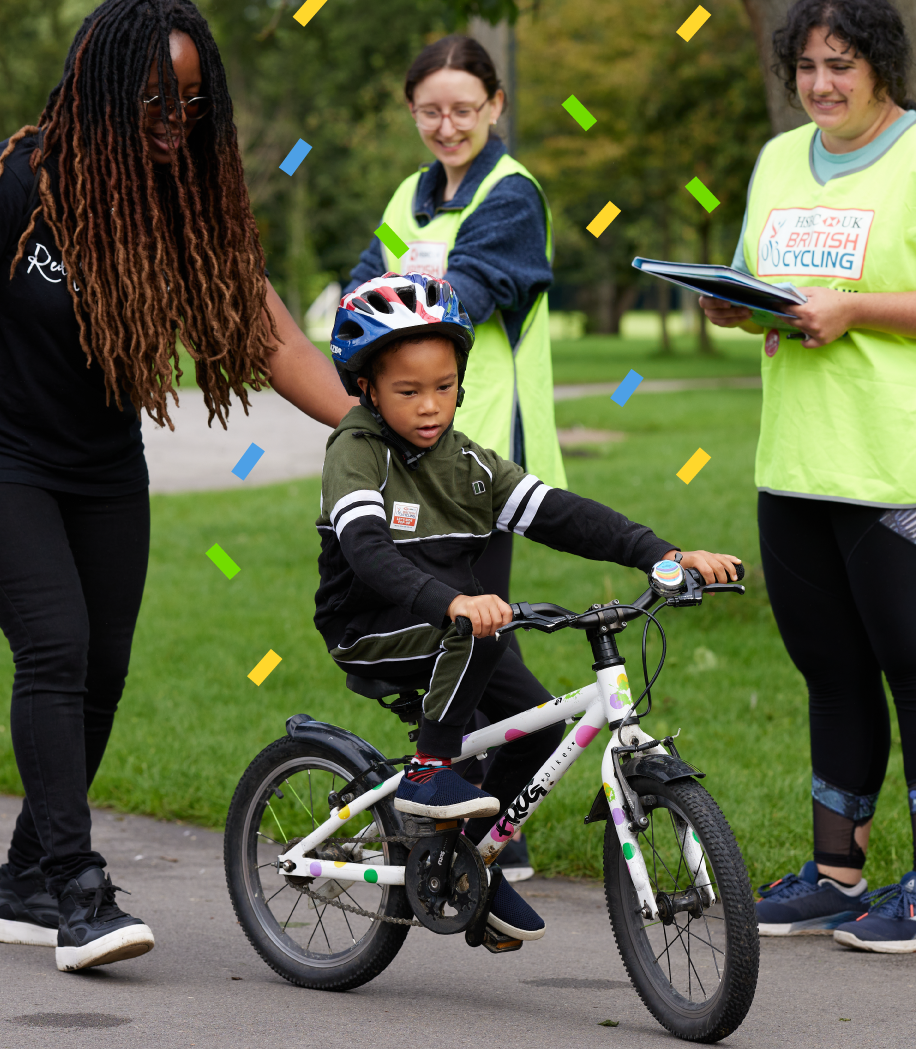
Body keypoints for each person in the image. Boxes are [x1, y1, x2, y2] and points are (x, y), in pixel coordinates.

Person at [0, 0, 354, 971]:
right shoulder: (22, 183)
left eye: (191, 106)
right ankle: (76, 891)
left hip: (106, 468)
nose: (173, 124)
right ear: (101, 88)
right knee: (56, 649)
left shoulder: (185, 200)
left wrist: (371, 428)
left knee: (103, 672)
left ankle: (24, 875)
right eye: (155, 100)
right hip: (7, 464)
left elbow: (268, 331)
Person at [700, 0, 916, 954]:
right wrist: (732, 305)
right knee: (828, 668)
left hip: (915, 460)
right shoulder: (777, 159)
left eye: (842, 65)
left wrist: (858, 308)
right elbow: (771, 287)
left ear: (884, 66)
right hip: (800, 457)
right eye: (807, 66)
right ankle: (838, 875)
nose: (822, 84)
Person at [316, 271, 742, 939]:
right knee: (484, 627)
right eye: (407, 391)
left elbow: (561, 515)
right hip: (370, 625)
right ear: (366, 387)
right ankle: (427, 776)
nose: (430, 406)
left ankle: (468, 869)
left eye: (444, 387)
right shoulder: (357, 451)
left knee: (538, 729)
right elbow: (369, 553)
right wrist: (454, 601)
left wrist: (665, 555)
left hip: (450, 623)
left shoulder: (470, 463)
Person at [349, 34, 564, 878]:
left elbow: (459, 301)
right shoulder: (409, 195)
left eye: (463, 110)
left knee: (476, 626)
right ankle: (460, 811)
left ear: (495, 107)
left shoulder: (512, 197)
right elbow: (365, 287)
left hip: (481, 451)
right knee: (456, 627)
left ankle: (477, 823)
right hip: (408, 454)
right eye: (430, 111)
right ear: (412, 112)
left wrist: (382, 332)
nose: (446, 126)